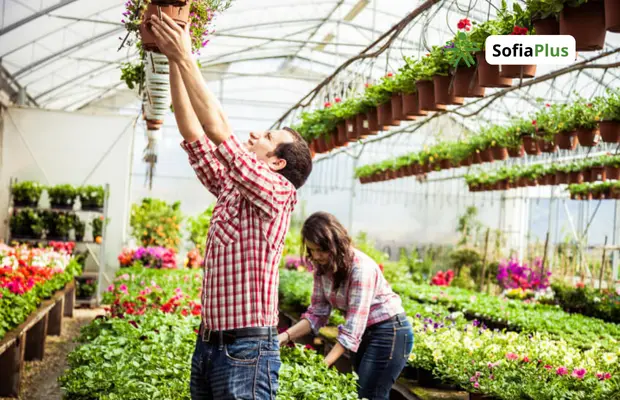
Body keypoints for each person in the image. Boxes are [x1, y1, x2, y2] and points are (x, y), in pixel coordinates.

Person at [149, 13, 313, 400]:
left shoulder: (277, 193)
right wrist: (173, 58)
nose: (255, 134)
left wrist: (187, 55)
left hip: (246, 351)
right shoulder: (234, 188)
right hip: (210, 344)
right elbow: (193, 134)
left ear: (277, 163)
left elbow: (218, 130)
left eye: (267, 136)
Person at [278, 212, 413, 400]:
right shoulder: (323, 269)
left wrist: (321, 367)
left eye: (321, 250)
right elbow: (317, 313)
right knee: (359, 391)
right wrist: (283, 337)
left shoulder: (361, 269)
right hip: (366, 332)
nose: (316, 256)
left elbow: (352, 328)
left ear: (335, 243)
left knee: (368, 394)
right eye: (311, 250)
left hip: (390, 332)